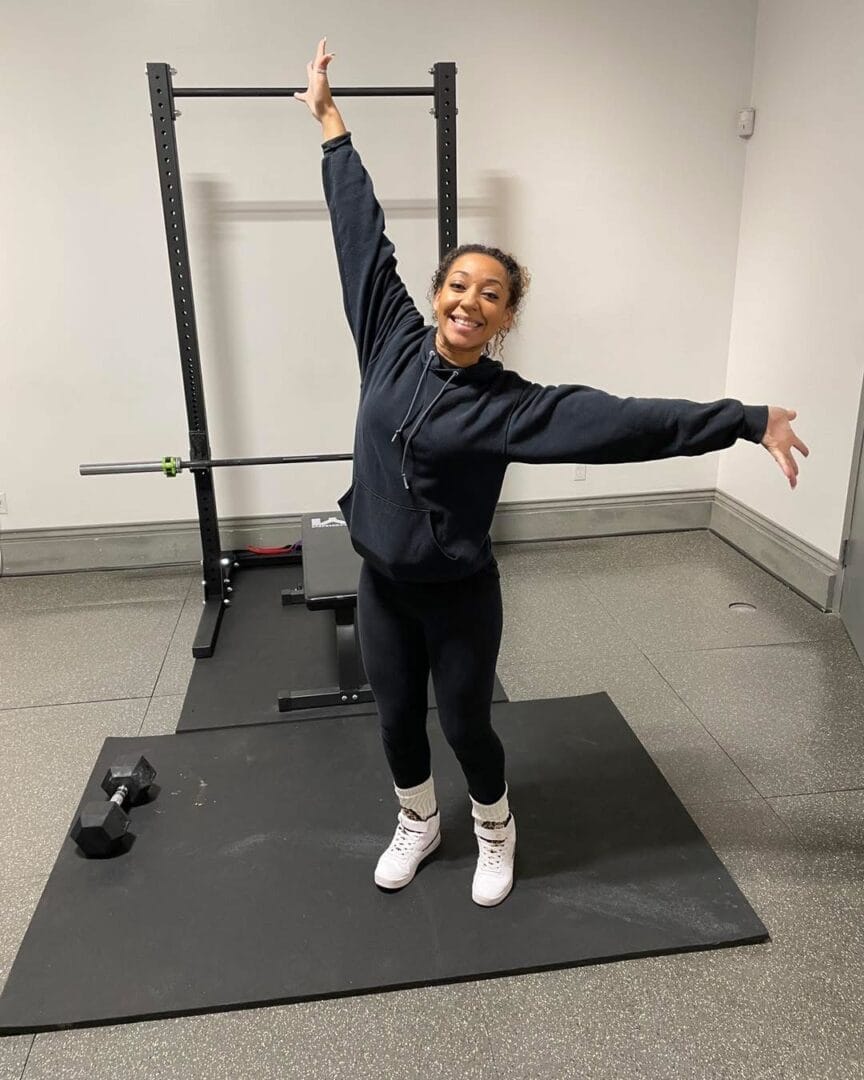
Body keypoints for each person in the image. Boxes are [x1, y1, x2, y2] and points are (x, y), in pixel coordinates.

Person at [294, 38, 810, 907]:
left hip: (457, 593)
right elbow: (360, 234)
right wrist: (331, 125)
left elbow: (625, 423)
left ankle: (496, 831)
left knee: (464, 722)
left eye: (489, 293)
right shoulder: (387, 339)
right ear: (435, 295)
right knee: (392, 719)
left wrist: (745, 421)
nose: (467, 300)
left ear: (506, 317)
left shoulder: (510, 406)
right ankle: (417, 823)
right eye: (457, 284)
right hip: (380, 581)